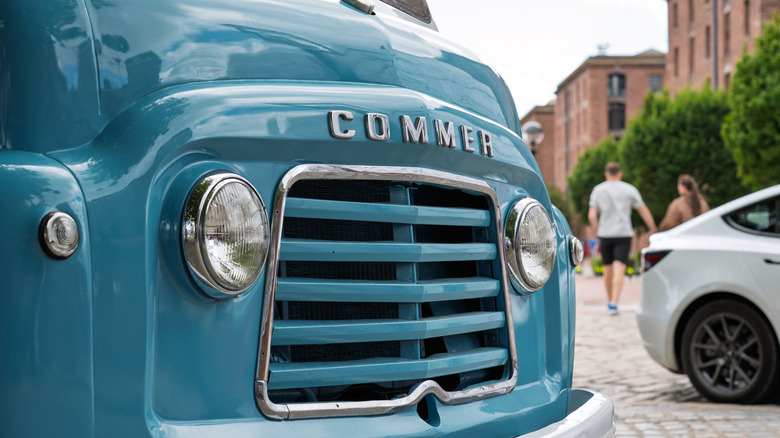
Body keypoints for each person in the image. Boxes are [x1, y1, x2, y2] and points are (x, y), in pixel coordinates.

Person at [588, 162, 657, 315]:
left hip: (605, 234)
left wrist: (596, 229)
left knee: (607, 269)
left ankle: (609, 301)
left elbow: (591, 215)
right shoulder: (629, 189)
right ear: (620, 174)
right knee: (620, 269)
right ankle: (614, 302)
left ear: (606, 174)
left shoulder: (598, 190)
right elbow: (643, 209)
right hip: (624, 234)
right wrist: (652, 227)